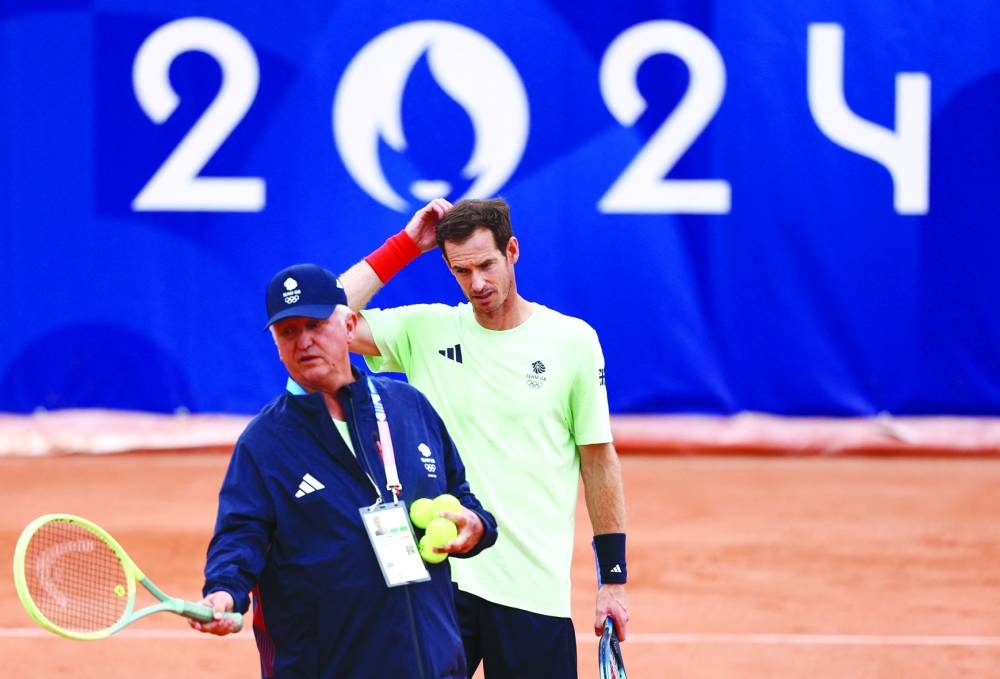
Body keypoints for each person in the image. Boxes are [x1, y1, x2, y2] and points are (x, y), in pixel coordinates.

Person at [337, 197, 629, 678]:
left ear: (512, 251)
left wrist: (613, 580)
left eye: (487, 265)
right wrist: (405, 245)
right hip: (438, 583)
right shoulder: (426, 330)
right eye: (461, 270)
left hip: (532, 590)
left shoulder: (572, 342)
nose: (477, 283)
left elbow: (598, 460)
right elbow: (326, 318)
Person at [190, 262, 498, 679]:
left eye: (315, 325)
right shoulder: (264, 443)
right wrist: (224, 591)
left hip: (432, 666)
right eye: (289, 332)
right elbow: (240, 534)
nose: (304, 342)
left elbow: (461, 495)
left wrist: (476, 525)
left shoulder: (409, 408)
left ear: (350, 325)